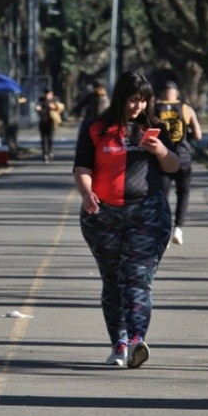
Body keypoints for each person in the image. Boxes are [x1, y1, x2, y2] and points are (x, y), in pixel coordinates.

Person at [73, 69, 180, 369]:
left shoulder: (154, 128)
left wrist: (160, 150)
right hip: (103, 216)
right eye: (132, 100)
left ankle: (136, 340)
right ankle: (118, 342)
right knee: (112, 280)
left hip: (147, 214)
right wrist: (86, 193)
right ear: (120, 98)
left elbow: (174, 166)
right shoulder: (95, 128)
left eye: (143, 101)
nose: (138, 107)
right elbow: (82, 167)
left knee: (137, 278)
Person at [155, 81, 202, 245]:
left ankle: (164, 231)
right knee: (183, 194)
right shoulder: (186, 109)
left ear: (162, 93)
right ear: (177, 93)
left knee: (162, 196)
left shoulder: (155, 109)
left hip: (162, 158)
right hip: (183, 158)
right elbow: (198, 135)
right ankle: (178, 229)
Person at [35, 89, 62, 163]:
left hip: (51, 122)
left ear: (52, 93)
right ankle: (44, 154)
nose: (47, 95)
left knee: (50, 138)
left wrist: (54, 107)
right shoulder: (41, 99)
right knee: (43, 138)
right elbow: (38, 106)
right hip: (43, 121)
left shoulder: (55, 99)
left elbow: (60, 107)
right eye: (46, 94)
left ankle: (50, 152)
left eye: (49, 94)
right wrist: (38, 108)